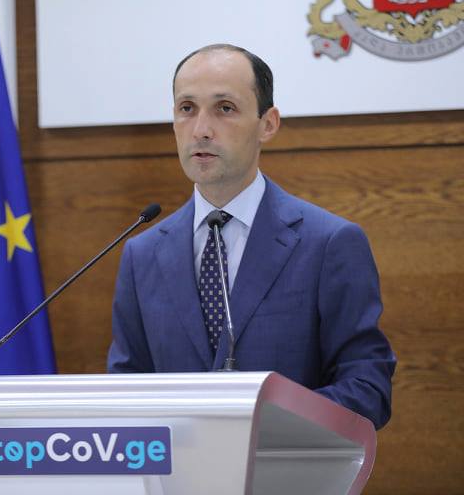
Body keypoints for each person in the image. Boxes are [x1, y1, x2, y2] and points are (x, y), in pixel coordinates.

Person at [107, 44, 396, 429]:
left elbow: (367, 388)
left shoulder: (329, 243)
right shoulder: (141, 254)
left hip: (282, 461)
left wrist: (261, 426)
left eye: (225, 108)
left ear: (268, 124)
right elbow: (125, 390)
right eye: (187, 108)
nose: (201, 130)